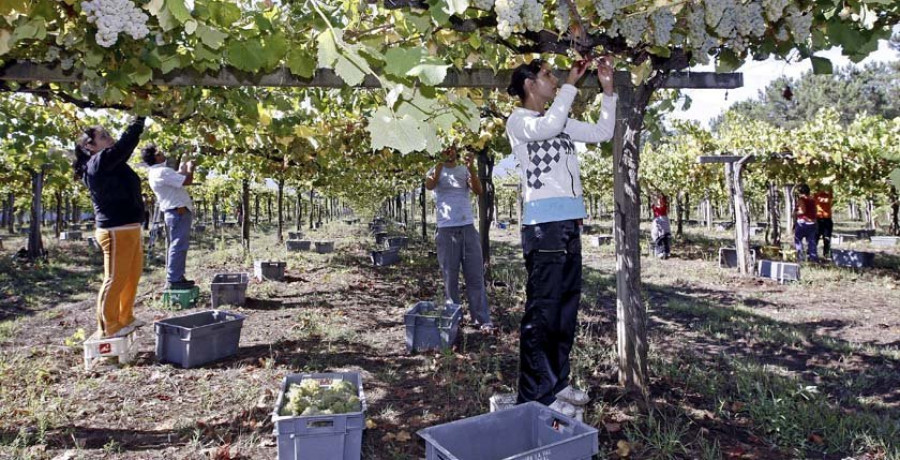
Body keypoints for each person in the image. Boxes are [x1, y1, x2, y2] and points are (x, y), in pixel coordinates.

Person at [505, 57, 616, 416]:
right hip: (543, 226)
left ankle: (557, 383)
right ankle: (535, 394)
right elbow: (549, 127)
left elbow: (603, 133)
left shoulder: (560, 122)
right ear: (528, 85)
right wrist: (571, 81)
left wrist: (608, 87)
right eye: (547, 75)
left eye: (554, 76)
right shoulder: (520, 122)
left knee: (566, 307)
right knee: (543, 310)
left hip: (569, 224)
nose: (553, 81)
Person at [72, 116, 147, 338]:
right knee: (115, 278)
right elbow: (124, 146)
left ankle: (125, 317)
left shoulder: (109, 164)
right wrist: (137, 121)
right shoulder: (97, 163)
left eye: (108, 135)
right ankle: (107, 327)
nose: (110, 139)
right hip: (115, 231)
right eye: (103, 137)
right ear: (90, 146)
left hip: (129, 228)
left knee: (131, 276)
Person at [424, 144, 494, 331]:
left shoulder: (464, 169)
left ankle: (481, 320)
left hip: (467, 228)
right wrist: (440, 163)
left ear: (456, 150)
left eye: (452, 148)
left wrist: (471, 167)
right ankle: (454, 320)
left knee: (475, 276)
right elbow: (429, 185)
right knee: (450, 278)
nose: (449, 151)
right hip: (446, 230)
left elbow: (478, 190)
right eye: (445, 148)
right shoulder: (435, 170)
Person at [143, 144, 196, 290]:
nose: (162, 153)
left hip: (175, 212)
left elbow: (179, 175)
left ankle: (177, 277)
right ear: (155, 157)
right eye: (159, 152)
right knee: (179, 245)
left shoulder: (158, 172)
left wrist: (186, 159)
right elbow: (187, 180)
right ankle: (174, 279)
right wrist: (191, 167)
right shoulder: (162, 171)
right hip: (177, 212)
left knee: (177, 244)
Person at [794, 184, 818, 262]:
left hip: (803, 223)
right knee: (811, 242)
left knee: (798, 240)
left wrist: (794, 213)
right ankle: (813, 259)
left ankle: (800, 258)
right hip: (812, 223)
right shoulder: (812, 199)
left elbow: (802, 211)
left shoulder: (801, 199)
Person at [814, 187, 834, 257]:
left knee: (827, 238)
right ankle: (812, 254)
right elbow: (819, 200)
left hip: (827, 219)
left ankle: (826, 254)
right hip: (818, 219)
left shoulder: (828, 193)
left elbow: (829, 201)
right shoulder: (816, 194)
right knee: (815, 237)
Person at [651, 192, 672, 259]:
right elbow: (668, 211)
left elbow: (668, 211)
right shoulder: (657, 202)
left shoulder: (662, 202)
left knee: (663, 236)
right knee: (659, 236)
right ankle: (661, 252)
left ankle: (664, 252)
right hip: (659, 220)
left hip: (662, 219)